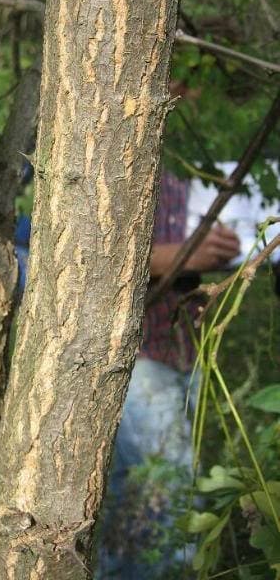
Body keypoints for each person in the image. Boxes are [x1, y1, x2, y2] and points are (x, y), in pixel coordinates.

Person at [97, 171, 240, 579]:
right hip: (136, 353)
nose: (193, 101)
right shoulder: (118, 159)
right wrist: (185, 256)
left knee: (136, 494)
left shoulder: (189, 174)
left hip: (181, 350)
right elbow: (97, 256)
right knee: (169, 479)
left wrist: (222, 250)